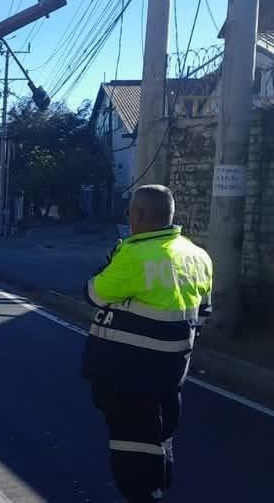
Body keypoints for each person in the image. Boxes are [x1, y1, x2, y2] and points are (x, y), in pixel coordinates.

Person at [82, 184, 213, 502]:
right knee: (159, 432)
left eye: (130, 213)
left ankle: (145, 490)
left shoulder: (134, 254)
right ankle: (158, 478)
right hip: (172, 371)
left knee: (131, 448)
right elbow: (204, 313)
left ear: (138, 214)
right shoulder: (198, 255)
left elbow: (94, 293)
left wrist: (111, 260)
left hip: (127, 371)